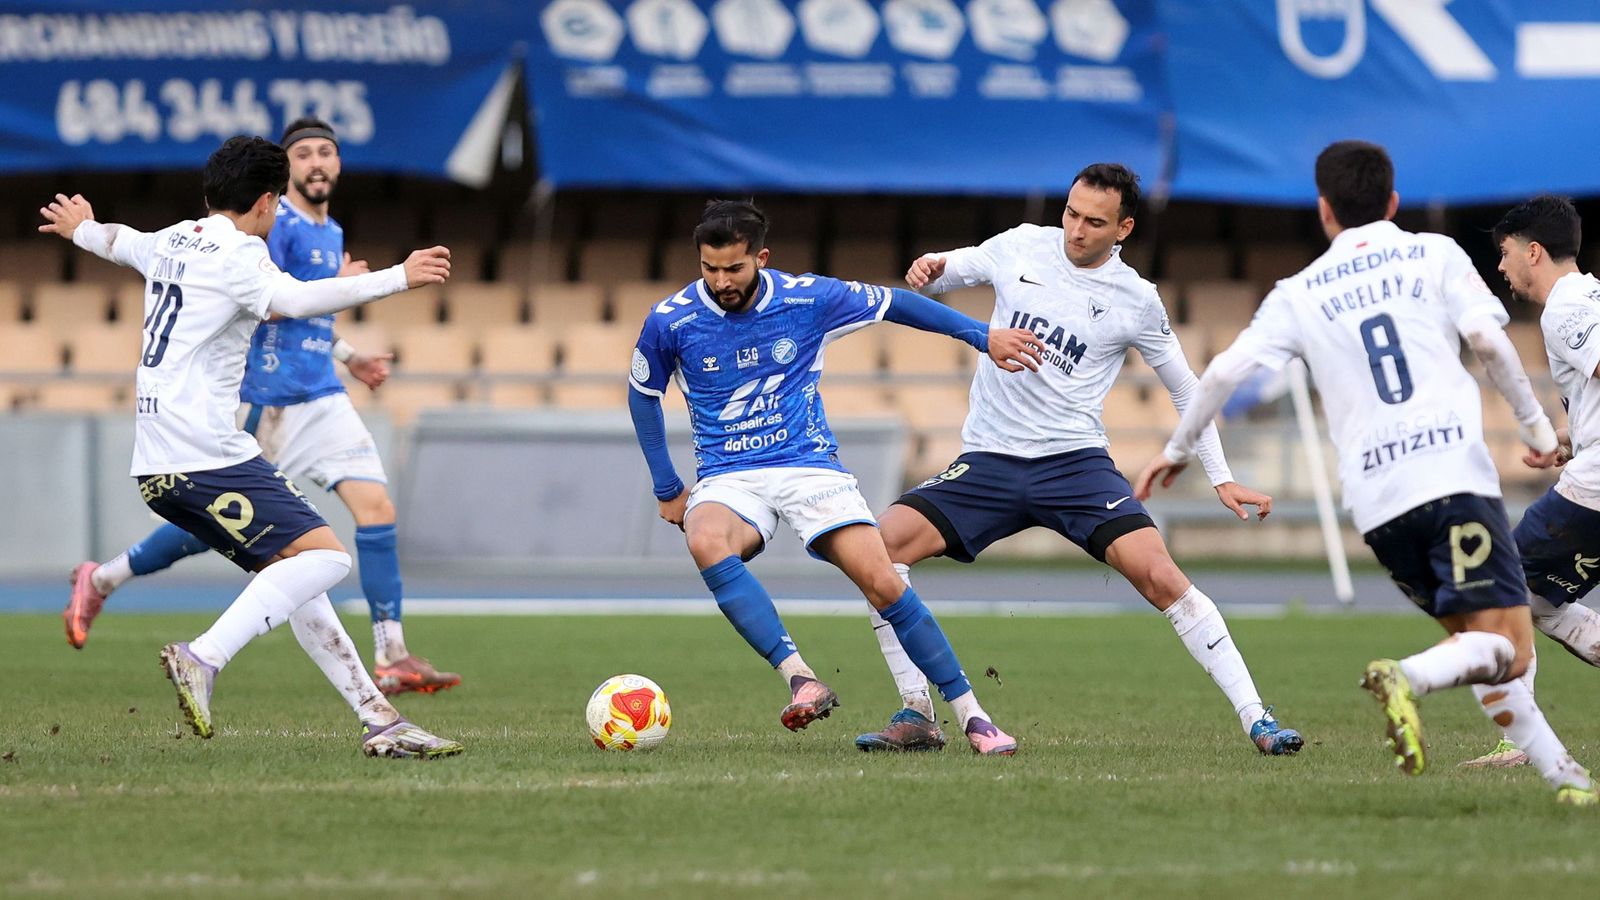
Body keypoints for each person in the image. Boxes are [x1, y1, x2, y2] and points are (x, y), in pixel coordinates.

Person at [1136, 141, 1595, 804]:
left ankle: (1567, 780)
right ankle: (1405, 678)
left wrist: (1178, 450)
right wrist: (1534, 429)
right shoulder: (1434, 253)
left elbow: (1229, 371)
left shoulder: (1298, 291)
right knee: (1509, 647)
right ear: (1394, 202)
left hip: (1379, 508)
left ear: (1324, 210)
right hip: (1452, 480)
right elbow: (1490, 342)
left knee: (1482, 643)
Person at [853, 164, 1304, 756]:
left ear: (1124, 228)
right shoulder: (1020, 245)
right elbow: (944, 274)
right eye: (1071, 213)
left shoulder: (1137, 299)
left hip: (1075, 467)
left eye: (1095, 222)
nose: (1076, 230)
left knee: (1163, 578)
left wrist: (1221, 477)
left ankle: (1258, 719)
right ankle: (917, 713)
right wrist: (928, 269)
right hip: (989, 460)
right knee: (876, 552)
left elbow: (1187, 390)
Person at [39, 135, 462, 758]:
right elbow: (294, 299)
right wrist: (399, 277)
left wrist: (81, 228)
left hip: (158, 461)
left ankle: (382, 723)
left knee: (296, 578)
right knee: (329, 559)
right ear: (268, 202)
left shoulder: (173, 239)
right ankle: (202, 657)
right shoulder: (239, 256)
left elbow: (118, 240)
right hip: (207, 453)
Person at [628, 200, 1042, 754]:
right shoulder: (670, 319)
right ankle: (802, 678)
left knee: (882, 581)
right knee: (705, 539)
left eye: (734, 269)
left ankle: (973, 715)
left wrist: (979, 334)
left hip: (808, 465)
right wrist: (666, 485)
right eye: (710, 269)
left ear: (761, 258)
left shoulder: (808, 298)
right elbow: (642, 393)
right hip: (730, 476)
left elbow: (896, 303)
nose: (721, 282)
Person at [1456, 195, 1600, 769]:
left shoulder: (1565, 307)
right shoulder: (1589, 295)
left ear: (1533, 251)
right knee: (1535, 598)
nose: (1501, 266)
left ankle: (1519, 743)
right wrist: (1571, 440)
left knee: (1498, 586)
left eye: (1505, 253)